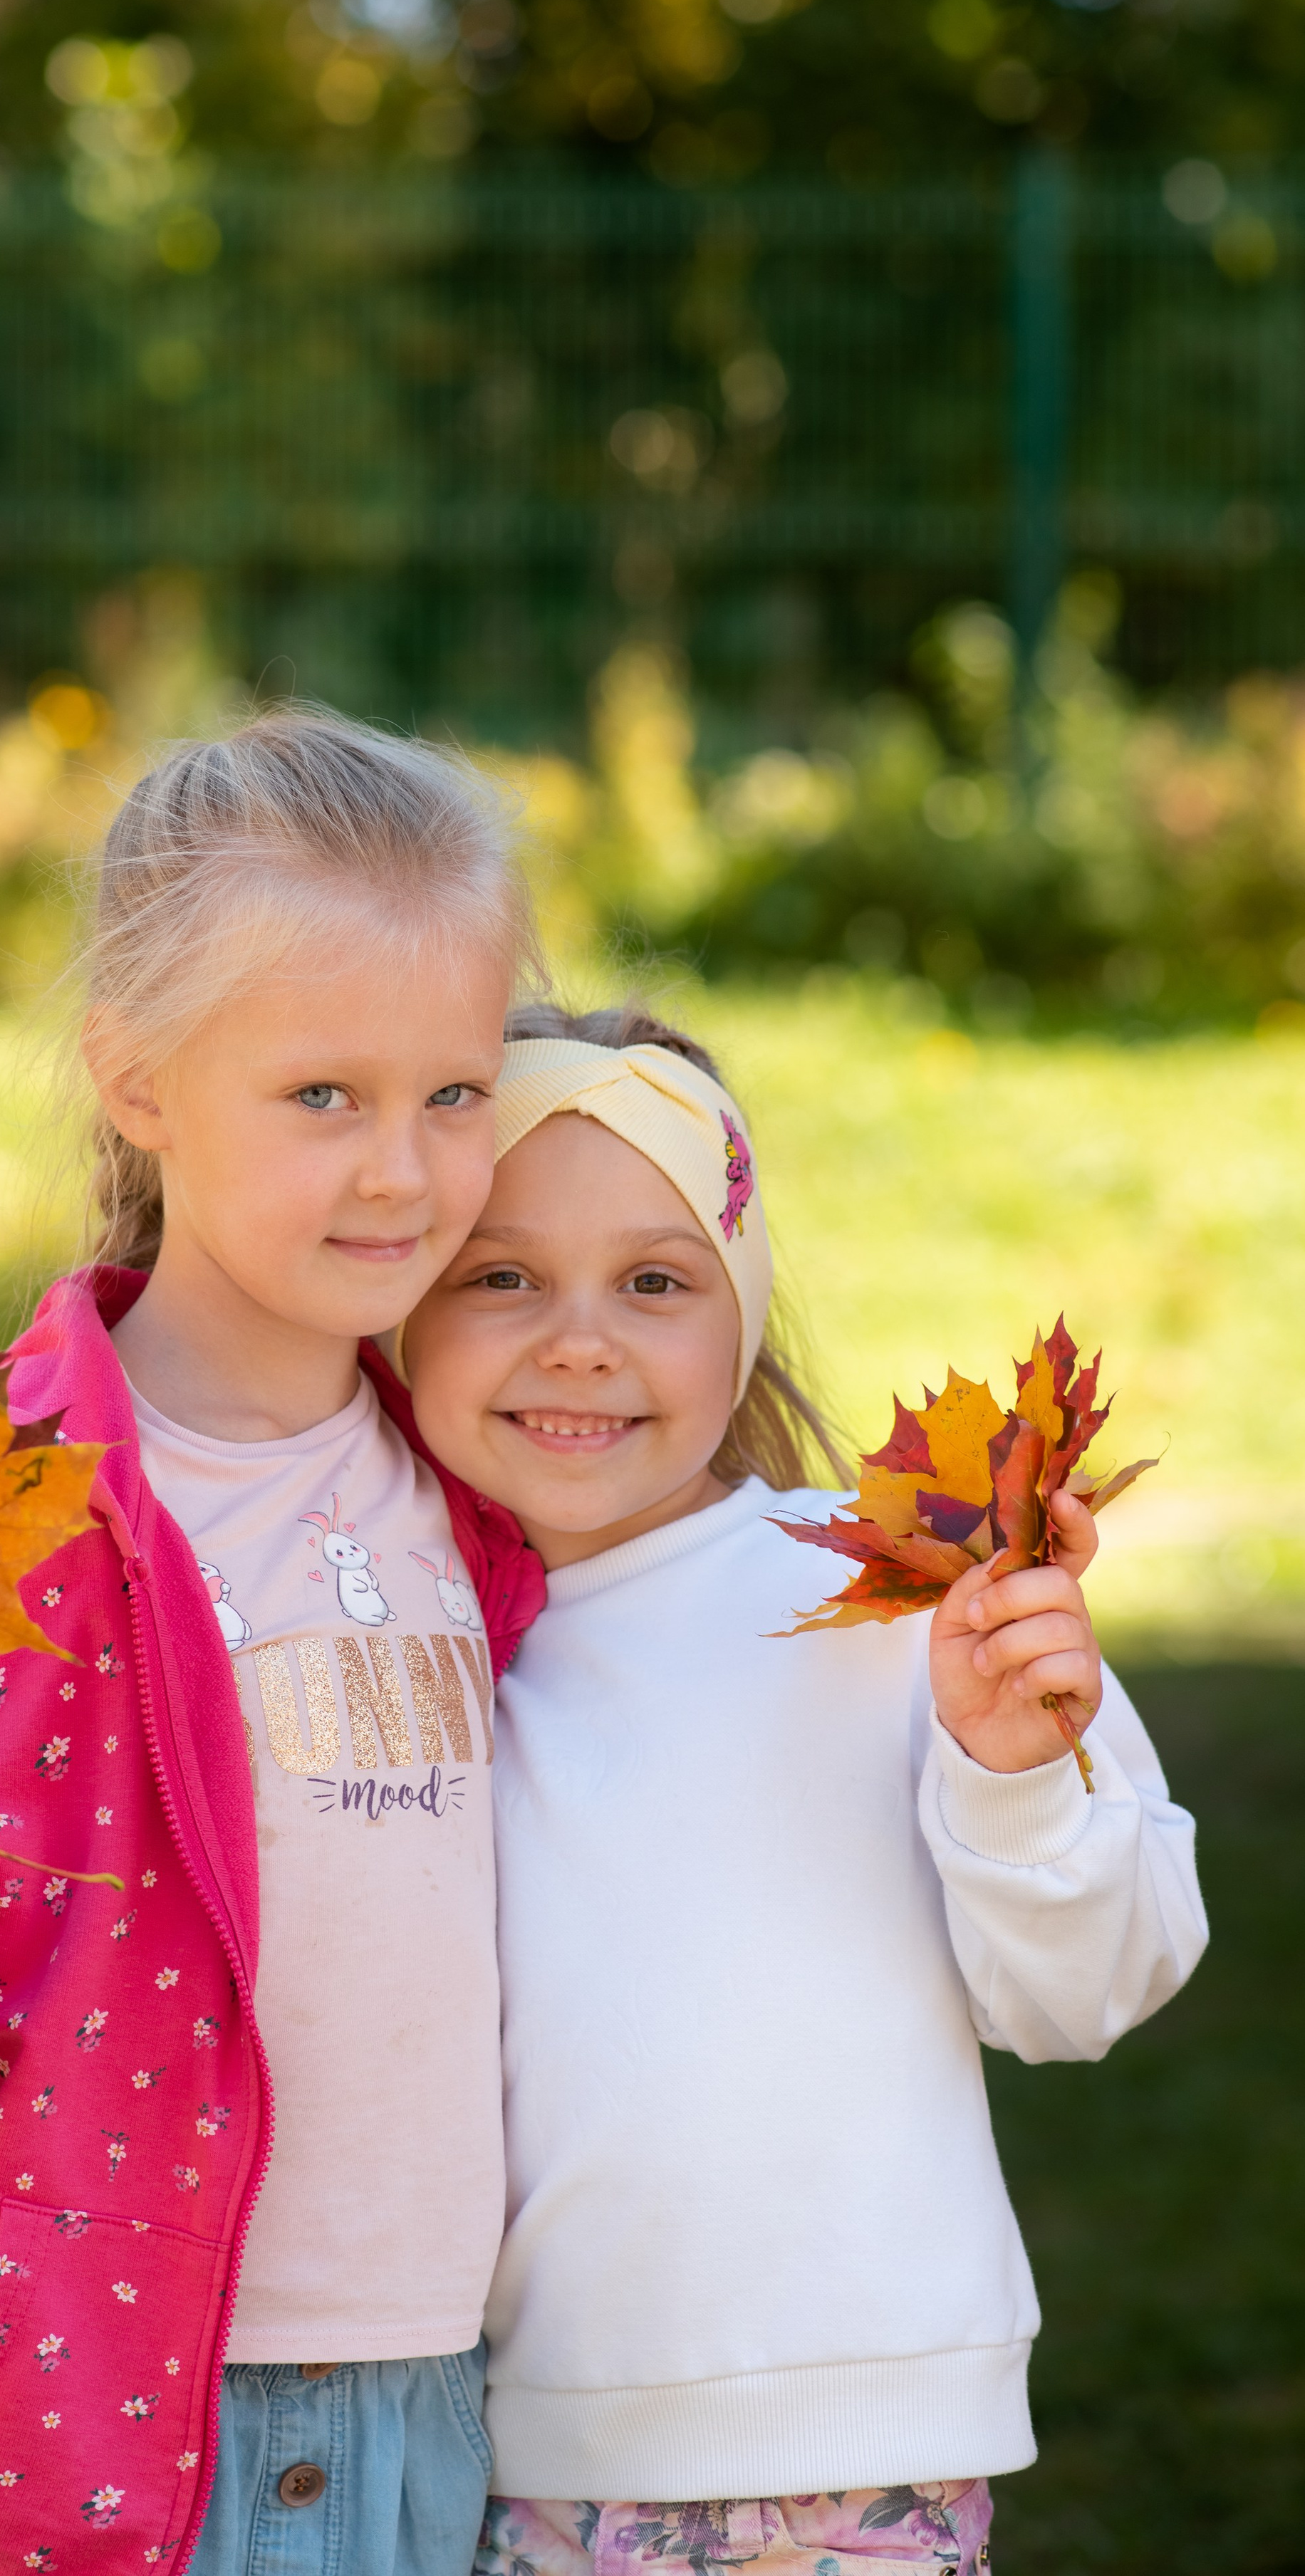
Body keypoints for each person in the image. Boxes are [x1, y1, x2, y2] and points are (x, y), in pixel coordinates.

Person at [0, 711, 548, 2576]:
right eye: (323, 1097)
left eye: (455, 1089)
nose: (407, 1172)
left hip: (442, 2419)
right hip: (63, 2448)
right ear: (138, 1080)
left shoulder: (491, 1483)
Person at [398, 1001, 1208, 2576]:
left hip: (852, 2471)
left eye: (654, 1280)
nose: (578, 1338)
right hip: (503, 2460)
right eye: (496, 1274)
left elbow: (1088, 1990)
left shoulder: (914, 1601)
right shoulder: (390, 1638)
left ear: (742, 1317)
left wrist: (1014, 1773)